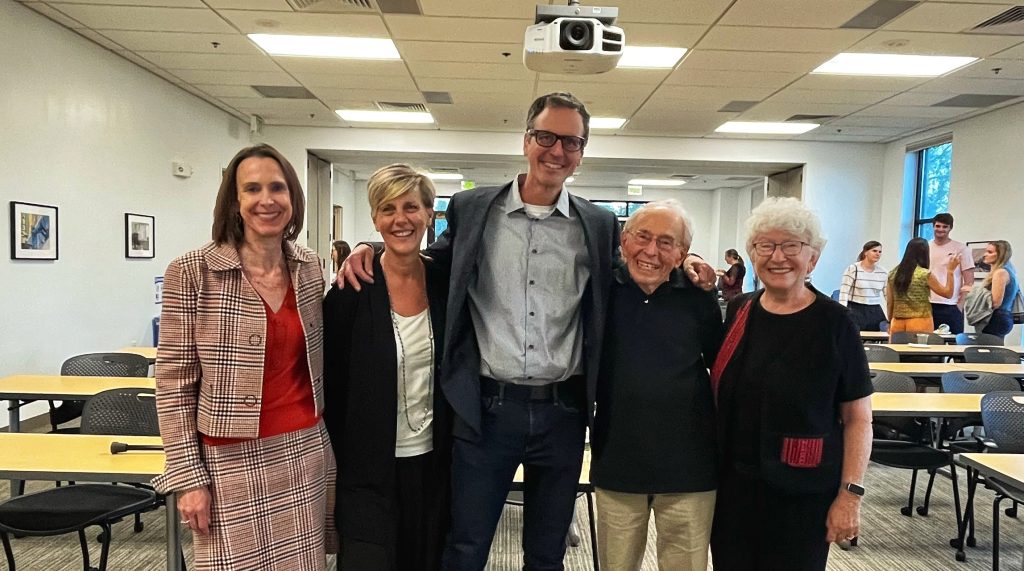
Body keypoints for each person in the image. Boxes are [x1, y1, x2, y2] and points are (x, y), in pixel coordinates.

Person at [341, 93, 716, 570]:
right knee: (465, 546)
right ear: (526, 140)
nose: (556, 151)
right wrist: (369, 247)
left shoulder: (597, 223)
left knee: (547, 551)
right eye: (546, 137)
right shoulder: (473, 207)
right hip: (486, 412)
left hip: (563, 414)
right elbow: (433, 258)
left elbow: (635, 269)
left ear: (581, 153)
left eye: (571, 142)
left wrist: (690, 265)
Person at [153, 144, 336, 569]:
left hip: (303, 452)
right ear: (235, 201)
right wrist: (188, 479)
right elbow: (174, 384)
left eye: (277, 188)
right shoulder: (193, 271)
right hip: (227, 461)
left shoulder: (309, 268)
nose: (266, 200)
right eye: (252, 189)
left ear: (293, 197)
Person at [709, 197, 873, 571]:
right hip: (734, 489)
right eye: (765, 245)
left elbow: (858, 418)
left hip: (804, 493)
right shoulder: (739, 311)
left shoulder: (836, 323)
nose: (777, 256)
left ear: (812, 258)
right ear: (753, 254)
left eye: (791, 246)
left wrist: (850, 496)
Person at [323, 164, 451, 570]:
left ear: (430, 214)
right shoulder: (350, 291)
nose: (400, 219)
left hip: (433, 464)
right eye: (387, 208)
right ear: (375, 218)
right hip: (365, 471)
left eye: (411, 207)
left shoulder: (446, 283)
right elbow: (331, 386)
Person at [590, 200, 723, 571]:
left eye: (667, 243)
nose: (651, 251)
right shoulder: (600, 291)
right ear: (624, 240)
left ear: (681, 252)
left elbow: (721, 366)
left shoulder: (700, 296)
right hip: (618, 457)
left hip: (690, 463)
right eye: (642, 237)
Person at [887, 237, 959, 338]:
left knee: (897, 352)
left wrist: (889, 321)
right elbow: (947, 293)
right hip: (920, 320)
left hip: (897, 321)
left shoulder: (893, 274)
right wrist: (950, 271)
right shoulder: (924, 274)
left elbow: (890, 302)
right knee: (919, 352)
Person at [928, 213, 975, 333]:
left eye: (945, 227)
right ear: (933, 226)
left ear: (950, 228)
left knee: (953, 343)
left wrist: (960, 304)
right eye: (938, 226)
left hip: (951, 304)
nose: (940, 229)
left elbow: (969, 280)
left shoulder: (961, 249)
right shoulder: (926, 247)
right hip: (928, 303)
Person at [838, 241, 888, 331]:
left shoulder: (883, 272)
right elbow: (844, 293)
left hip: (874, 309)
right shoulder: (853, 269)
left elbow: (887, 295)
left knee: (875, 336)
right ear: (865, 252)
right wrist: (842, 313)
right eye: (874, 251)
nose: (877, 254)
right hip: (856, 307)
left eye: (880, 252)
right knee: (854, 336)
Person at [979, 240, 1018, 339]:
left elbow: (995, 302)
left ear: (1000, 255)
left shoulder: (1000, 273)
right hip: (1004, 316)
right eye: (986, 251)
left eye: (990, 252)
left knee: (990, 351)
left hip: (997, 317)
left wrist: (974, 292)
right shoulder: (1009, 270)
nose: (985, 254)